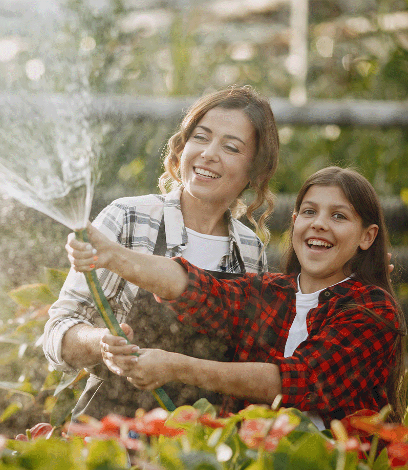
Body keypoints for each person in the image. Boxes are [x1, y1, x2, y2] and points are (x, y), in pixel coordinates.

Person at [67, 166, 407, 428]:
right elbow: (195, 288)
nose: (319, 224)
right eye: (309, 212)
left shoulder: (373, 310)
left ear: (367, 236)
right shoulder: (271, 293)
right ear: (294, 222)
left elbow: (293, 381)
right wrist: (112, 255)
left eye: (338, 216)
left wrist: (176, 367)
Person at [41, 85, 280, 419]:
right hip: (114, 432)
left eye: (231, 147)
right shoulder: (128, 218)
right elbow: (58, 332)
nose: (209, 153)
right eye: (201, 137)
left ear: (254, 169)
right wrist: (101, 342)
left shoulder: (249, 250)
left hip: (204, 440)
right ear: (182, 147)